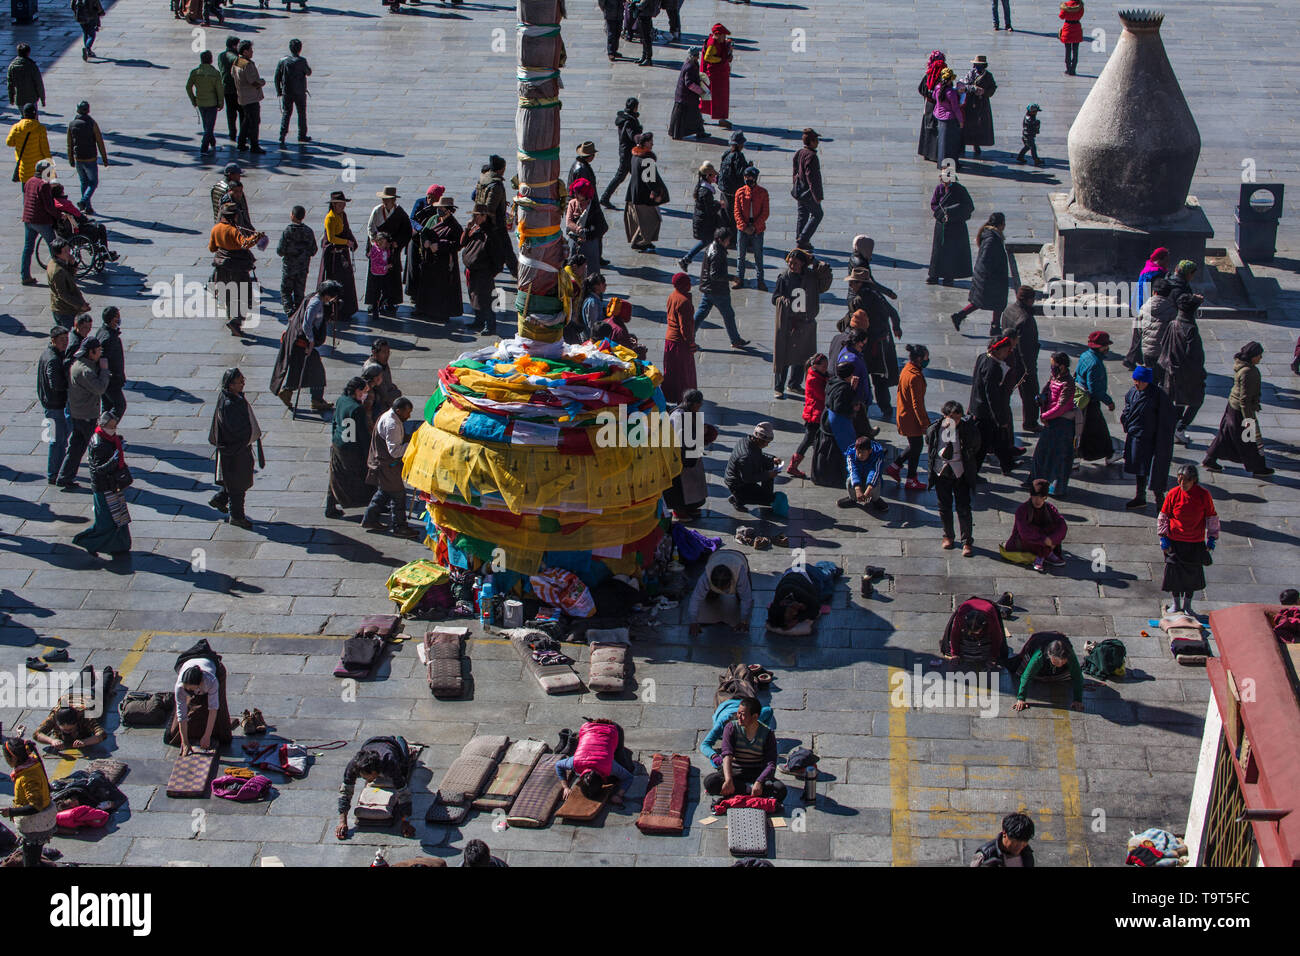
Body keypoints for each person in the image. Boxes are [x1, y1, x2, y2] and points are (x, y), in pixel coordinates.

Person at [1204, 341, 1273, 478]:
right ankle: (1258, 467)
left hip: (1233, 407)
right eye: (1259, 355)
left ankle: (1210, 460)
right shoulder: (1249, 371)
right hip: (1242, 412)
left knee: (1225, 434)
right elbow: (1245, 399)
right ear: (1253, 356)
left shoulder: (1243, 366)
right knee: (1249, 439)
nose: (1261, 358)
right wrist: (1248, 419)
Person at [772, 247, 833, 398]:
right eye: (790, 263)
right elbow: (775, 298)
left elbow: (825, 276)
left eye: (796, 263)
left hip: (806, 323)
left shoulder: (812, 277)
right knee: (784, 355)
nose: (792, 266)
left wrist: (815, 261)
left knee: (803, 356)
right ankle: (778, 386)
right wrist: (785, 302)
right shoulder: (785, 277)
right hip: (789, 323)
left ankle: (794, 384)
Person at [270, 281, 339, 411]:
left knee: (300, 368)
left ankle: (291, 393)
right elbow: (306, 324)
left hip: (299, 341)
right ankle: (313, 399)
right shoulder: (316, 303)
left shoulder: (313, 297)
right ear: (328, 295)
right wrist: (311, 341)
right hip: (302, 342)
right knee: (315, 370)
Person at [1159, 464, 1217, 616]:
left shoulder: (1204, 495)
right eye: (1180, 480)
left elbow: (1211, 516)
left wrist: (1212, 537)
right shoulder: (1173, 494)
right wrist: (1163, 537)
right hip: (1175, 541)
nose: (1182, 484)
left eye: (1186, 480)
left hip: (1195, 542)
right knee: (1174, 573)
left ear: (1194, 480)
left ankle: (1187, 605)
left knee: (1192, 574)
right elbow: (1164, 516)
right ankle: (1176, 603)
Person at [72, 411, 132, 558]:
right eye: (111, 426)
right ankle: (88, 541)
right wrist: (114, 460)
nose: (114, 429)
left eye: (115, 426)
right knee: (107, 521)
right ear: (104, 425)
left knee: (119, 517)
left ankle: (120, 545)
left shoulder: (109, 439)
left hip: (111, 485)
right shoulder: (99, 444)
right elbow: (99, 469)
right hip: (104, 487)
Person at [703, 697, 787, 801]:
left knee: (780, 790)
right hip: (735, 771)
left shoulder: (768, 734)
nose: (739, 717)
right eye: (738, 713)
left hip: (756, 772)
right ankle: (748, 790)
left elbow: (771, 764)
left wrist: (759, 782)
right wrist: (728, 780)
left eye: (743, 715)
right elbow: (727, 755)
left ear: (754, 716)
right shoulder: (731, 728)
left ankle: (743, 790)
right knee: (710, 782)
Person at [208, 368, 261, 530]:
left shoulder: (232, 397)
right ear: (231, 385)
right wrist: (246, 439)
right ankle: (237, 516)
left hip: (237, 450)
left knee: (234, 479)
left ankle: (220, 498)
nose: (243, 383)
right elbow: (236, 430)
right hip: (235, 451)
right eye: (240, 381)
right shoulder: (230, 405)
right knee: (238, 485)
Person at [336, 736, 417, 839]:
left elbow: (403, 793)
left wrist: (405, 821)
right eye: (364, 777)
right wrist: (343, 822)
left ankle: (398, 740)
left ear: (377, 770)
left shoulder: (389, 762)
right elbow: (345, 793)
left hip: (391, 746)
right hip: (370, 743)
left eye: (370, 777)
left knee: (405, 767)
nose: (368, 781)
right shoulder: (353, 766)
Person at [927, 400, 981, 555]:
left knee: (964, 507)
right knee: (944, 506)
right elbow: (929, 443)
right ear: (944, 416)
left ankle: (967, 541)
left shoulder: (968, 430)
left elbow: (976, 445)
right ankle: (948, 536)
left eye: (958, 418)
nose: (955, 421)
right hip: (941, 472)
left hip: (961, 472)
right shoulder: (936, 429)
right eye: (952, 418)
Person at [56, 336, 109, 490]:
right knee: (95, 448)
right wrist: (104, 370)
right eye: (98, 350)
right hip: (87, 415)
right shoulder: (85, 371)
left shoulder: (78, 365)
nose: (100, 353)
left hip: (78, 413)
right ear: (90, 352)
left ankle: (65, 477)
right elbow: (99, 388)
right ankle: (100, 479)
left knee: (76, 447)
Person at [1121, 366, 1177, 509]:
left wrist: (1162, 439)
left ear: (1147, 381)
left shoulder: (1158, 396)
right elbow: (1127, 408)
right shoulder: (1133, 392)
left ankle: (1160, 502)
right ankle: (1140, 496)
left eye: (1140, 381)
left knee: (1154, 471)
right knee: (1140, 470)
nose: (1136, 383)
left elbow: (1167, 419)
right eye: (1135, 379)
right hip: (1136, 437)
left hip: (1151, 441)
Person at [1157, 293, 1207, 446]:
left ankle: (1175, 429)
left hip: (1169, 371)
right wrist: (1200, 374)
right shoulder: (1190, 329)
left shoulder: (1173, 324)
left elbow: (1163, 345)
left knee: (1177, 402)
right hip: (1186, 374)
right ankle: (1180, 426)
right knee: (1196, 401)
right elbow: (1195, 356)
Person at [363, 397, 416, 537]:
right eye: (407, 412)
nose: (409, 416)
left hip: (384, 464)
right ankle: (399, 527)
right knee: (398, 495)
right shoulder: (392, 424)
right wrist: (414, 445)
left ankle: (370, 519)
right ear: (398, 411)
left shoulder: (390, 416)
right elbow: (395, 451)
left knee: (384, 492)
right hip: (387, 465)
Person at [969, 337, 1021, 475]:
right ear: (998, 350)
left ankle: (1007, 464)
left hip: (980, 408)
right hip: (986, 413)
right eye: (1006, 350)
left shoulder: (982, 357)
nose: (1007, 354)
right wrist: (1000, 419)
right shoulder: (993, 368)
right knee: (982, 445)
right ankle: (972, 473)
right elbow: (992, 396)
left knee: (999, 440)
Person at [323, 376, 372, 519]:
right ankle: (373, 505)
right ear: (357, 391)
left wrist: (333, 438)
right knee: (363, 476)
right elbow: (362, 434)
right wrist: (368, 452)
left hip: (338, 443)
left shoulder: (341, 400)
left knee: (336, 476)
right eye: (364, 391)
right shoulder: (357, 409)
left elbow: (334, 422)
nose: (365, 395)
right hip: (352, 447)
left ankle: (330, 506)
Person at [1030, 352, 1078, 497]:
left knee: (1059, 457)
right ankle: (1036, 481)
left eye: (1054, 365)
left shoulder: (1068, 383)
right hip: (1051, 420)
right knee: (1041, 454)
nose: (1052, 368)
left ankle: (1057, 487)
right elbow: (1047, 391)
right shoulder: (1054, 377)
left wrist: (1044, 416)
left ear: (1062, 366)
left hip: (1062, 423)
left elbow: (1061, 406)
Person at [1, 737, 55, 867]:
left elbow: (35, 807)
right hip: (43, 821)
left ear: (13, 758)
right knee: (34, 852)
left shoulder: (27, 778)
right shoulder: (32, 763)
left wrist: (11, 812)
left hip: (35, 824)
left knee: (29, 858)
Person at [952, 213, 1008, 334]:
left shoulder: (990, 235)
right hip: (989, 277)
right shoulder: (992, 238)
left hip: (988, 276)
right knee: (994, 301)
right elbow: (986, 259)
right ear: (1000, 224)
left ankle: (961, 316)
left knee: (983, 301)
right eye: (1003, 223)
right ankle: (994, 327)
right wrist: (993, 273)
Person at [555, 720, 635, 806]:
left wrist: (619, 795)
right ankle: (573, 739)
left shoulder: (609, 766)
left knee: (627, 767)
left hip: (613, 728)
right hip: (589, 727)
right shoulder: (576, 762)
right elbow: (558, 765)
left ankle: (573, 739)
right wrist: (565, 787)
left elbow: (629, 777)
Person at [412, 195, 463, 322]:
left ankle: (440, 313)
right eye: (438, 208)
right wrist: (425, 241)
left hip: (444, 262)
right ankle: (424, 309)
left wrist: (439, 245)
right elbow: (424, 232)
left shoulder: (454, 226)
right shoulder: (434, 219)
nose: (439, 210)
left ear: (449, 210)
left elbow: (457, 244)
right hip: (429, 259)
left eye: (442, 208)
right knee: (426, 285)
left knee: (441, 288)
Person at [665, 388, 713, 519]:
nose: (700, 407)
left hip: (690, 456)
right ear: (693, 403)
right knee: (679, 488)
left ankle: (691, 507)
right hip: (680, 458)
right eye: (699, 404)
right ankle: (679, 511)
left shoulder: (689, 412)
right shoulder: (678, 416)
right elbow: (681, 440)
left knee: (693, 484)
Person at [694, 227, 746, 348]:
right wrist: (732, 278)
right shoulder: (718, 253)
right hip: (718, 290)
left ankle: (688, 337)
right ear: (720, 240)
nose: (728, 242)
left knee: (701, 313)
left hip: (708, 288)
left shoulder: (711, 247)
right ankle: (735, 339)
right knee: (728, 314)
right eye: (727, 240)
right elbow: (715, 275)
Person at [172, 654, 234, 754]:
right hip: (195, 680)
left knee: (223, 730)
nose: (189, 691)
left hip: (215, 672)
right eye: (187, 689)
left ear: (200, 684)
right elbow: (181, 715)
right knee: (174, 733)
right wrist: (185, 742)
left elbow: (213, 709)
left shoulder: (211, 681)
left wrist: (207, 736)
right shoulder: (180, 686)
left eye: (191, 689)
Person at [1074, 330, 1120, 464]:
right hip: (1090, 402)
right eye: (1106, 346)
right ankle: (1108, 454)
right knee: (1098, 431)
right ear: (1101, 347)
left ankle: (1108, 454)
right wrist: (1109, 401)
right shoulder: (1095, 364)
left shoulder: (1085, 355)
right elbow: (1095, 390)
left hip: (1081, 398)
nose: (1108, 348)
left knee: (1085, 430)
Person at [1000, 286, 1041, 430]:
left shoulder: (1008, 309)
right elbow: (1026, 348)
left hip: (1008, 357)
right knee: (1031, 393)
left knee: (1005, 392)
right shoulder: (1026, 319)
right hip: (1022, 363)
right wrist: (1029, 370)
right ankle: (1030, 422)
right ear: (1029, 300)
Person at [1004, 479, 1068, 574]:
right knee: (1030, 534)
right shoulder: (1022, 510)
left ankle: (1042, 555)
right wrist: (1045, 540)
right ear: (1031, 496)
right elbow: (1024, 533)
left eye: (1041, 497)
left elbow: (1062, 526)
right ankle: (1044, 555)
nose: (1037, 500)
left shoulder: (1050, 508)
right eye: (1035, 496)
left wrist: (1052, 539)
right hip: (1024, 542)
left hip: (1045, 541)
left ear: (1045, 497)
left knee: (1054, 527)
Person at [687, 549, 753, 635]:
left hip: (738, 556)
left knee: (743, 598)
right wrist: (693, 622)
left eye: (724, 588)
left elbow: (746, 598)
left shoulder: (740, 573)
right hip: (716, 555)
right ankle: (714, 592)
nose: (723, 591)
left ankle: (724, 590)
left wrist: (744, 621)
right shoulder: (706, 577)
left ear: (731, 580)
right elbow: (695, 599)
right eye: (718, 588)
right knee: (710, 598)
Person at [1010, 635, 1083, 712]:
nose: (1060, 664)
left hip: (1057, 667)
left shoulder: (1069, 654)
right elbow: (1027, 675)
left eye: (1063, 662)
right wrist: (1021, 698)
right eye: (1057, 661)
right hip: (1038, 643)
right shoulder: (1039, 655)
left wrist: (1078, 700)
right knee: (1021, 672)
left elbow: (1077, 676)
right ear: (1049, 655)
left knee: (1069, 674)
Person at [622, 134, 668, 252]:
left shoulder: (635, 156)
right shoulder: (647, 160)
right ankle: (641, 242)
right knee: (653, 220)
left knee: (644, 220)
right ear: (645, 143)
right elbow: (651, 180)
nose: (652, 144)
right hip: (644, 196)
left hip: (635, 193)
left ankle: (644, 241)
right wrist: (657, 194)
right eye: (650, 141)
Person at [927, 171, 975, 285]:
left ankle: (949, 277)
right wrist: (941, 213)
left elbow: (968, 206)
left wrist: (952, 212)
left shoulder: (960, 190)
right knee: (938, 251)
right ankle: (934, 275)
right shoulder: (939, 188)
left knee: (951, 252)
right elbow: (934, 203)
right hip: (941, 224)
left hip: (956, 226)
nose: (944, 184)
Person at [319, 190, 360, 321]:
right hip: (333, 255)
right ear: (334, 205)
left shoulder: (343, 215)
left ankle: (347, 309)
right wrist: (346, 242)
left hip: (343, 251)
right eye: (340, 204)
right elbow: (331, 238)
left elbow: (347, 230)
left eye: (343, 203)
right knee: (333, 282)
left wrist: (352, 241)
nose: (342, 206)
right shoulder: (330, 218)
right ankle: (331, 311)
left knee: (346, 280)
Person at [37, 326, 71, 485]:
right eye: (61, 340)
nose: (65, 343)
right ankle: (53, 474)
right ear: (53, 340)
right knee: (57, 440)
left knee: (59, 439)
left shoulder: (49, 354)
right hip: (54, 405)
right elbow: (55, 384)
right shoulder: (52, 359)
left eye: (66, 339)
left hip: (51, 404)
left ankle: (57, 470)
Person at [725, 422, 783, 512]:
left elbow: (757, 455)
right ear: (758, 439)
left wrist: (772, 459)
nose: (766, 445)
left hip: (742, 477)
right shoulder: (745, 456)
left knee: (769, 463)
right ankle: (738, 499)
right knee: (768, 500)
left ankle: (750, 496)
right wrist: (768, 475)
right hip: (737, 484)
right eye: (766, 442)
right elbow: (747, 478)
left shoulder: (747, 441)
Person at [474, 154, 516, 278]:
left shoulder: (483, 179)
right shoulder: (496, 185)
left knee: (498, 253)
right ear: (500, 169)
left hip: (485, 223)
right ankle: (520, 278)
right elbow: (490, 207)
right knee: (507, 253)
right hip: (496, 225)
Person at [768, 562, 841, 630]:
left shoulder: (794, 591)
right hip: (799, 576)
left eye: (791, 611)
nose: (795, 613)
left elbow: (816, 609)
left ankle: (824, 565)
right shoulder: (778, 603)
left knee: (826, 577)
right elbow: (773, 619)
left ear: (784, 603)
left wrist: (797, 620)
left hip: (808, 572)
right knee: (826, 592)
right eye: (793, 616)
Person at [788, 353, 827, 479]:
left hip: (816, 413)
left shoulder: (817, 374)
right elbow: (823, 396)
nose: (826, 368)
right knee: (808, 440)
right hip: (814, 415)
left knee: (812, 441)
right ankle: (793, 466)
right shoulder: (814, 379)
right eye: (824, 366)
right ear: (815, 365)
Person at [462, 203, 499, 335]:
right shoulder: (475, 228)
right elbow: (463, 243)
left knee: (486, 299)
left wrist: (492, 271)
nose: (475, 218)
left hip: (484, 271)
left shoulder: (491, 232)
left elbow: (496, 256)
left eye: (477, 216)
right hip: (472, 270)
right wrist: (467, 229)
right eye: (474, 215)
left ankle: (490, 325)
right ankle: (478, 321)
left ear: (484, 216)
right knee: (474, 296)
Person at [896, 345, 930, 491]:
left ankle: (895, 466)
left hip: (905, 414)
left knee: (915, 446)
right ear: (919, 359)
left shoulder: (907, 369)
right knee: (917, 447)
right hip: (911, 418)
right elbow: (918, 404)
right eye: (926, 358)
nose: (928, 360)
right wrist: (925, 424)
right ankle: (911, 479)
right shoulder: (915, 376)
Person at [20, 159, 58, 288]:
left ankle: (25, 276)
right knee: (54, 248)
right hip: (41, 221)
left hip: (28, 220)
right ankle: (57, 277)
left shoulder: (29, 181)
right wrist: (59, 216)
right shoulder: (44, 185)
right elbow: (49, 206)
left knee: (28, 248)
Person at [65, 101, 108, 214]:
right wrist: (104, 158)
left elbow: (69, 144)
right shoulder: (92, 123)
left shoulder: (72, 124)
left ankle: (87, 207)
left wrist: (70, 158)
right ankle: (84, 201)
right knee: (93, 182)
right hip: (90, 158)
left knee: (83, 182)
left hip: (78, 158)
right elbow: (99, 141)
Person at [661, 272, 697, 403]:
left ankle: (672, 397)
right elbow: (685, 328)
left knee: (672, 372)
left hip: (669, 340)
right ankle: (684, 401)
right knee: (684, 375)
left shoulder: (672, 296)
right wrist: (691, 344)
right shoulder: (684, 302)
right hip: (680, 344)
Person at [679, 161, 723, 269]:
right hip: (704, 222)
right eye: (713, 175)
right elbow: (709, 209)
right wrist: (719, 204)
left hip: (703, 221)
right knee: (707, 241)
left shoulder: (702, 186)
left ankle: (688, 259)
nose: (714, 178)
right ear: (708, 176)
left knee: (708, 241)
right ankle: (687, 259)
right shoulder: (705, 191)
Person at [599, 98, 641, 209]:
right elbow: (632, 135)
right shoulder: (629, 121)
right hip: (628, 153)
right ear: (634, 107)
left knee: (637, 175)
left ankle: (639, 198)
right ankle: (605, 197)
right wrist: (640, 139)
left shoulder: (625, 118)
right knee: (622, 176)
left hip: (626, 152)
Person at [276, 205, 317, 317]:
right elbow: (314, 250)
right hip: (302, 268)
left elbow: (280, 251)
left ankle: (290, 313)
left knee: (285, 291)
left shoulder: (287, 231)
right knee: (299, 293)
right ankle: (299, 314)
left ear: (292, 216)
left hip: (289, 268)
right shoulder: (309, 231)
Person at [732, 165, 768, 290]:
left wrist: (755, 226)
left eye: (751, 178)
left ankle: (760, 280)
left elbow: (765, 212)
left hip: (757, 229)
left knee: (758, 255)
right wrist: (744, 227)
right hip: (743, 229)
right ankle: (739, 279)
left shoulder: (763, 192)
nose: (749, 180)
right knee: (740, 255)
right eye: (747, 177)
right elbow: (737, 212)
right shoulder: (740, 192)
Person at [1135, 277, 1177, 382]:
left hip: (1147, 350)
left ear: (1154, 292)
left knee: (1149, 379)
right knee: (1163, 380)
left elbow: (1138, 329)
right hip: (1164, 352)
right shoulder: (1172, 310)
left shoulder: (1144, 307)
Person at [840, 435, 892, 515]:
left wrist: (868, 491)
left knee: (876, 481)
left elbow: (874, 472)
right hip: (858, 478)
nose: (860, 455)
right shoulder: (850, 455)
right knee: (850, 480)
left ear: (870, 451)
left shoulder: (878, 456)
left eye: (863, 453)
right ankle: (853, 498)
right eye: (858, 452)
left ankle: (875, 499)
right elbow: (853, 471)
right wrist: (857, 490)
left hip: (871, 481)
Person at [273, 38, 311, 146]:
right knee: (302, 114)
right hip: (300, 92)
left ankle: (282, 135)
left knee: (286, 113)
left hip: (287, 92)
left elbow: (277, 76)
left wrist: (278, 90)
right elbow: (308, 72)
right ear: (300, 49)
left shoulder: (283, 60)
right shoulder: (302, 61)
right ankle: (302, 135)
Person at [231, 40, 266, 153]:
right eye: (251, 50)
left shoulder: (237, 61)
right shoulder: (247, 64)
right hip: (251, 97)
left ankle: (241, 142)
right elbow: (253, 81)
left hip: (242, 96)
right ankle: (254, 145)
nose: (252, 52)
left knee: (247, 120)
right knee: (255, 121)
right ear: (245, 52)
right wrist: (261, 82)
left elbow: (233, 74)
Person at [7, 103, 52, 191]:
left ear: (24, 114)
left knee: (26, 195)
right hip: (38, 170)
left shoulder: (16, 127)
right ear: (35, 114)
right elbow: (45, 149)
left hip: (24, 169)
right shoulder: (40, 129)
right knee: (39, 194)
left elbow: (9, 142)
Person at [792, 128, 824, 250]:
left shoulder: (799, 152)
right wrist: (817, 196)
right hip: (808, 192)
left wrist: (795, 186)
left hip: (799, 190)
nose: (818, 142)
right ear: (811, 141)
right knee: (818, 214)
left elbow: (795, 171)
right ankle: (803, 239)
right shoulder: (811, 156)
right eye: (816, 140)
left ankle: (799, 239)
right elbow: (812, 178)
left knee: (803, 215)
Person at [186, 51, 224, 153]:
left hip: (200, 102)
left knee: (207, 124)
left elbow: (188, 87)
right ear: (211, 60)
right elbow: (219, 90)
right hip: (212, 103)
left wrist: (193, 99)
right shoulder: (215, 73)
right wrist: (221, 102)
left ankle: (213, 142)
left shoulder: (195, 72)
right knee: (209, 126)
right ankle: (204, 147)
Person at [961, 56, 996, 159]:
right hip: (970, 102)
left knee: (979, 124)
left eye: (979, 65)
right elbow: (964, 85)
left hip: (982, 103)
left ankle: (977, 145)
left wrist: (984, 92)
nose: (976, 67)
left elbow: (992, 88)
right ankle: (963, 144)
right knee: (967, 123)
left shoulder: (988, 76)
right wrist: (973, 88)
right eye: (976, 65)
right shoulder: (970, 74)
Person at [34, 702, 107, 751]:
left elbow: (102, 734)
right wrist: (52, 741)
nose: (67, 732)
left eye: (71, 729)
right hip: (70, 695)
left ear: (76, 723)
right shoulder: (54, 717)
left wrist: (85, 742)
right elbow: (37, 734)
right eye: (64, 730)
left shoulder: (84, 716)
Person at [668, 50, 707, 141]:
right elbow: (689, 83)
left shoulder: (691, 63)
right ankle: (677, 133)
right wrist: (700, 91)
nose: (698, 57)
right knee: (683, 116)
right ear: (692, 56)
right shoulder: (690, 66)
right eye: (696, 55)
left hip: (686, 96)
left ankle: (700, 132)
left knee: (696, 114)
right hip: (685, 96)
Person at [971, 814, 1037, 868]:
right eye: (1015, 843)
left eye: (1023, 844)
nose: (1019, 848)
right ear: (1004, 833)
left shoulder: (1026, 851)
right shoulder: (985, 856)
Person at [700, 24, 733, 129]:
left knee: (721, 97)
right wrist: (721, 60)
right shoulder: (712, 44)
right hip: (714, 75)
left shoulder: (719, 42)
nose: (724, 38)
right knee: (710, 95)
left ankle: (721, 117)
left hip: (720, 74)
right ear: (717, 35)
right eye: (723, 36)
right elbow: (708, 57)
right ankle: (700, 115)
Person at [916, 50, 947, 163]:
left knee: (927, 127)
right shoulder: (944, 74)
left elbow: (921, 89)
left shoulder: (930, 74)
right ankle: (934, 154)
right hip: (939, 105)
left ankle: (925, 152)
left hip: (929, 104)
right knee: (936, 128)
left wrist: (927, 96)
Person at [95, 307, 125, 419]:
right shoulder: (109, 338)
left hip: (106, 378)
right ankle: (105, 431)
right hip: (111, 380)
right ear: (113, 319)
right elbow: (103, 358)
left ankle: (106, 434)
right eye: (117, 316)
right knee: (119, 406)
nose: (119, 318)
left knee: (107, 406)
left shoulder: (102, 331)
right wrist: (110, 375)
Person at [565, 177, 602, 268]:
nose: (576, 195)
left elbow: (602, 227)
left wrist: (587, 235)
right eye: (575, 193)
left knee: (590, 269)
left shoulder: (593, 207)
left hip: (590, 244)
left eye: (579, 193)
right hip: (574, 241)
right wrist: (578, 230)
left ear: (585, 194)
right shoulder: (572, 203)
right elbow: (569, 222)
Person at [932, 68, 964, 171]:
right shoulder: (951, 92)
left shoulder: (938, 88)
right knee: (951, 145)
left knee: (942, 143)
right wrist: (961, 120)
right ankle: (951, 165)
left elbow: (933, 96)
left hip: (939, 117)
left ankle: (941, 164)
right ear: (950, 80)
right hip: (950, 119)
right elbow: (955, 108)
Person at [718, 131, 748, 240]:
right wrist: (748, 167)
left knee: (725, 214)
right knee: (734, 215)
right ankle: (732, 238)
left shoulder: (726, 153)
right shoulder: (738, 157)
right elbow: (741, 173)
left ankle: (724, 235)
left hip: (724, 189)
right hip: (733, 191)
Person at [363, 339, 402, 414]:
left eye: (388, 352)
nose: (387, 355)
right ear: (374, 352)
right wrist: (397, 393)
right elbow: (384, 395)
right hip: (378, 405)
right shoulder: (373, 368)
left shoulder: (382, 362)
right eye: (384, 352)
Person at [217, 36, 243, 144]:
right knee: (242, 112)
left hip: (226, 88)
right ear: (234, 45)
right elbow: (240, 63)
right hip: (235, 89)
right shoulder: (232, 56)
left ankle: (232, 133)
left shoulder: (220, 55)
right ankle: (243, 133)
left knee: (230, 113)